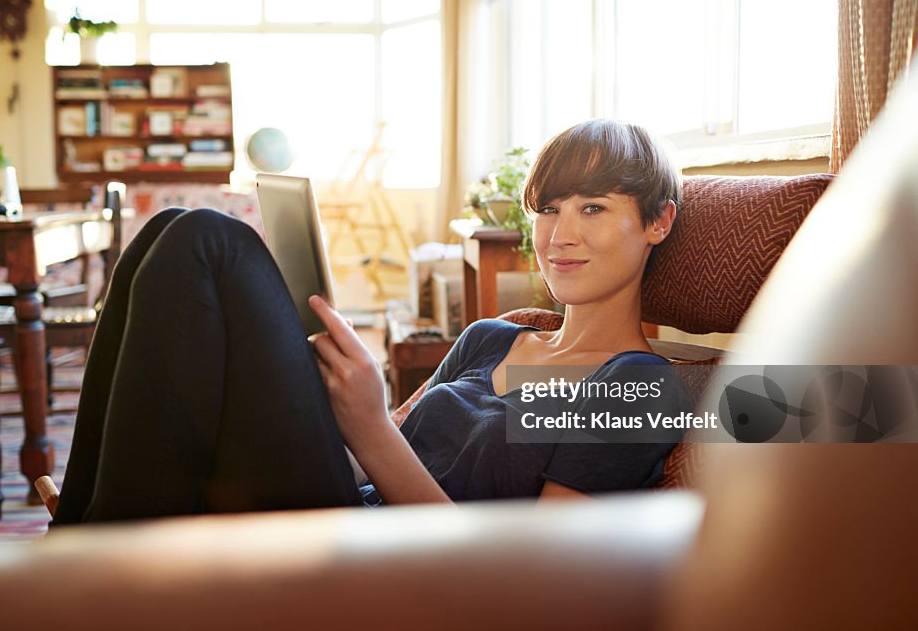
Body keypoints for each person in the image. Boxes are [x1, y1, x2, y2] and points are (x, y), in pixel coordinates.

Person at [51, 118, 686, 525]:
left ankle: (89, 556)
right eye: (548, 209)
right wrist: (329, 405)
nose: (560, 236)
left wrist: (370, 423)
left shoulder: (641, 387)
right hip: (341, 501)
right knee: (164, 233)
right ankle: (83, 528)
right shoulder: (491, 338)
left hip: (394, 564)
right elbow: (367, 460)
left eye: (594, 208)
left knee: (210, 242)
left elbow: (532, 580)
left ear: (659, 221)